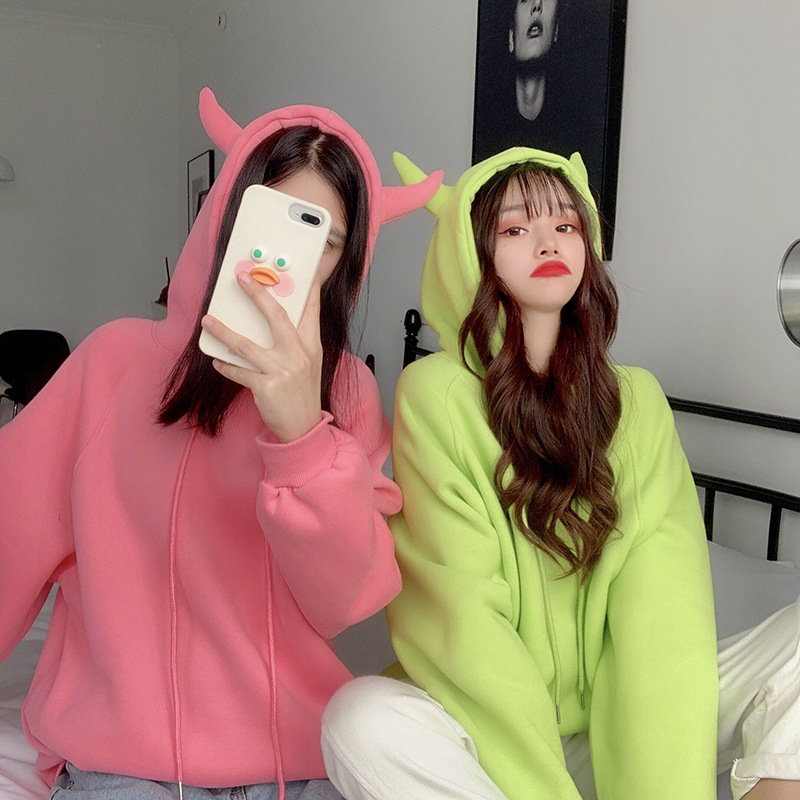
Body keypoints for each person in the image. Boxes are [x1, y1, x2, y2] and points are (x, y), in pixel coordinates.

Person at [0, 88, 441, 800]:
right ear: (225, 217)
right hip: (126, 765)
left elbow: (343, 602)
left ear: (346, 263)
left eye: (325, 240)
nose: (289, 260)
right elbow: (8, 539)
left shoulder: (350, 391)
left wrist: (303, 437)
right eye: (274, 218)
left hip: (296, 762)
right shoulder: (112, 364)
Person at [320, 148, 800, 799]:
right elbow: (463, 620)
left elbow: (661, 612)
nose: (547, 241)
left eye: (565, 225)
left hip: (620, 721)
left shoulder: (636, 403)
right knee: (359, 721)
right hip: (491, 735)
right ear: (472, 253)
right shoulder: (436, 395)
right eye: (516, 227)